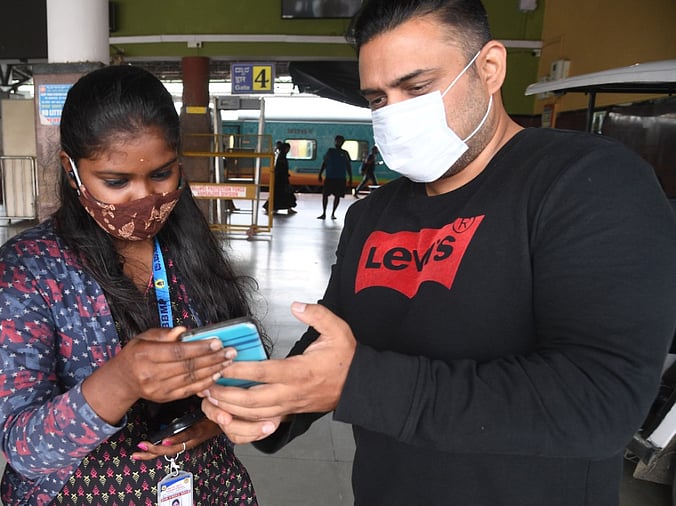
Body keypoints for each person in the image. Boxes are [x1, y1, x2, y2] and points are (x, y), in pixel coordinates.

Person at [199, 1, 676, 505]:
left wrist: (358, 383)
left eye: (417, 88)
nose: (395, 113)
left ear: (489, 68)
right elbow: (333, 341)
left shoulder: (587, 183)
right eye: (377, 99)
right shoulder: (372, 214)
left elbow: (600, 401)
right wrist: (274, 402)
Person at [0, 65, 261, 505]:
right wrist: (121, 381)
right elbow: (24, 450)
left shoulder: (190, 247)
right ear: (71, 170)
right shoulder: (29, 269)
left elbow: (239, 371)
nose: (144, 197)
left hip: (205, 486)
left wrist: (217, 418)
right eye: (116, 181)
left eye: (162, 174)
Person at [317, 135, 353, 219]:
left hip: (340, 178)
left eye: (340, 141)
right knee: (325, 195)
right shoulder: (330, 151)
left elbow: (348, 166)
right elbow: (325, 163)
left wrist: (350, 177)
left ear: (343, 143)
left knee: (337, 196)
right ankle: (324, 213)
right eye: (337, 141)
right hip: (330, 177)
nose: (338, 143)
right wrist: (320, 174)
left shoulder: (345, 153)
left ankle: (333, 213)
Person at [262, 141, 298, 214]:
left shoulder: (281, 156)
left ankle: (272, 207)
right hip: (281, 180)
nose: (288, 150)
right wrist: (285, 176)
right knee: (286, 194)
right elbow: (281, 169)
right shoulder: (282, 157)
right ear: (285, 149)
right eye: (288, 149)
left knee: (279, 195)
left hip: (280, 180)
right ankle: (287, 208)